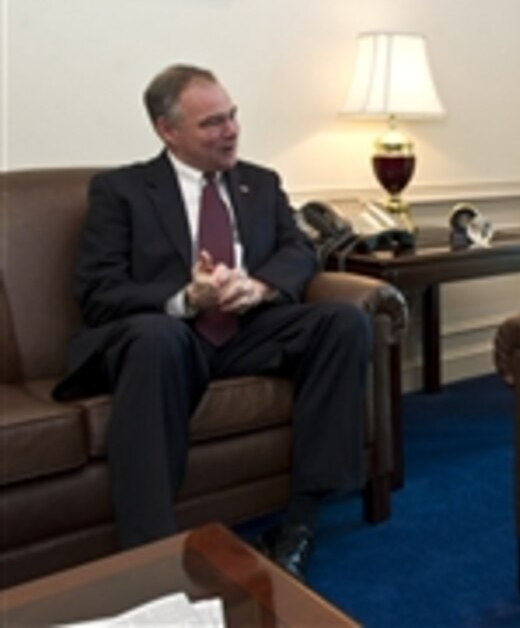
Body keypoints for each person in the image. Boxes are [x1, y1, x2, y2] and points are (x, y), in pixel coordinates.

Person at [53, 64, 373, 582]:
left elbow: (299, 250)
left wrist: (260, 287)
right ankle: (152, 555)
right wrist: (185, 298)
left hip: (246, 332)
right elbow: (98, 292)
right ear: (167, 130)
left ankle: (300, 523)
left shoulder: (260, 183)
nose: (230, 131)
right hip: (172, 340)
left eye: (232, 116)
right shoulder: (121, 191)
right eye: (211, 123)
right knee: (156, 336)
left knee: (343, 324)